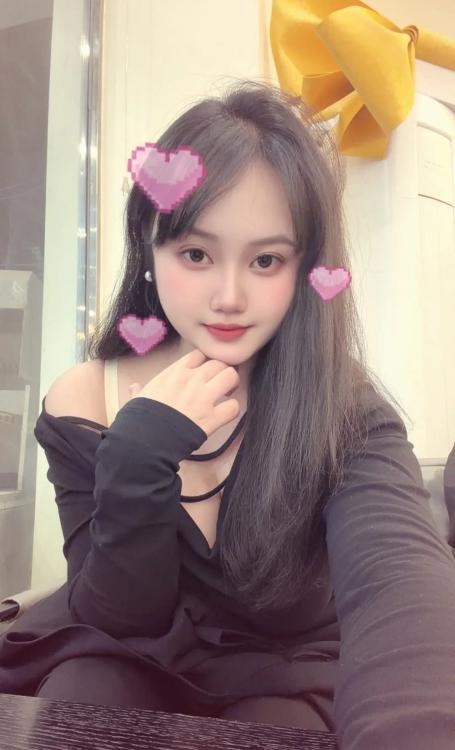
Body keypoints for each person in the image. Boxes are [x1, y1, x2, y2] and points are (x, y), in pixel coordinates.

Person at [1, 79, 455, 749]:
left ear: (304, 268)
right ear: (149, 247)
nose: (229, 296)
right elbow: (120, 616)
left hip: (285, 674)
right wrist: (137, 452)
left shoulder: (343, 407)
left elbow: (397, 575)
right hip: (124, 655)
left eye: (266, 260)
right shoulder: (85, 398)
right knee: (84, 697)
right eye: (195, 254)